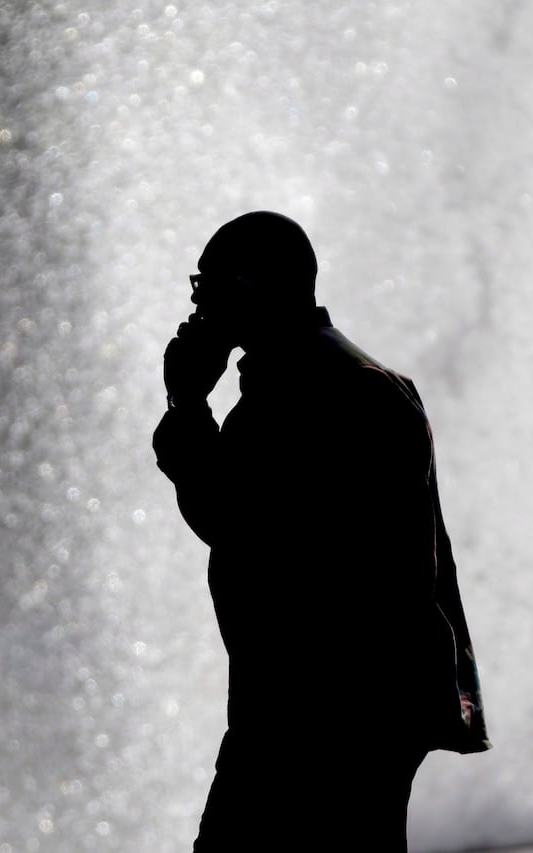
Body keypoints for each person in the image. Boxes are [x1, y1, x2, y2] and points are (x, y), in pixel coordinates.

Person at [153, 211, 490, 851]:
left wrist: (188, 403)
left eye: (205, 287)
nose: (195, 309)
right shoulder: (343, 379)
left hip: (314, 717)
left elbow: (232, 520)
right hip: (344, 711)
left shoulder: (310, 390)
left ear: (249, 284)